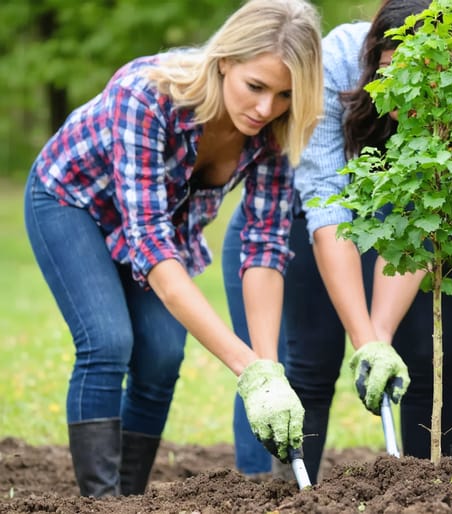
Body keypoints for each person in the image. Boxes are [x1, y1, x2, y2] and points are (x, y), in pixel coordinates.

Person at [224, 0, 452, 483]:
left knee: (441, 353)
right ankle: (280, 493)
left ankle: (441, 487)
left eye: (426, 79)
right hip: (326, 212)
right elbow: (327, 206)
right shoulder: (334, 63)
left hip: (431, 222)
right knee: (309, 359)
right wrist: (370, 341)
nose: (404, 94)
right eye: (391, 73)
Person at [22, 0, 323, 497]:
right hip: (71, 200)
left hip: (158, 227)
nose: (266, 107)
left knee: (162, 354)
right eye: (256, 87)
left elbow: (265, 248)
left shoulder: (273, 133)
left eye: (285, 95)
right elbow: (152, 246)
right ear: (225, 60)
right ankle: (101, 504)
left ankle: (130, 499)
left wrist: (268, 370)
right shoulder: (146, 95)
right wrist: (246, 371)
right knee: (108, 341)